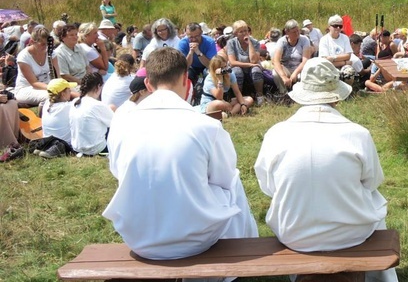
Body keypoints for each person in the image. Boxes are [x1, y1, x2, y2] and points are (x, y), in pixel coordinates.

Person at [102, 47, 259, 260]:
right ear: (187, 82)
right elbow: (224, 178)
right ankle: (239, 255)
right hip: (195, 240)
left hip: (138, 239)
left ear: (148, 83)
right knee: (234, 182)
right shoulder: (206, 126)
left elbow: (118, 172)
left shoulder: (121, 124)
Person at [254, 57, 398, 282]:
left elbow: (268, 186)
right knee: (375, 201)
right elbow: (371, 182)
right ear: (337, 98)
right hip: (351, 234)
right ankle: (380, 279)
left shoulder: (276, 133)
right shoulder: (358, 134)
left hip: (293, 233)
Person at [69, 72, 112, 156]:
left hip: (77, 147)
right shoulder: (98, 105)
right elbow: (115, 123)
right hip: (96, 149)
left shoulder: (74, 102)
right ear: (98, 87)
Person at [225, 20, 265, 104]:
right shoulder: (231, 43)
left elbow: (254, 60)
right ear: (236, 34)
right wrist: (249, 64)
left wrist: (249, 43)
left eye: (246, 31)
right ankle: (239, 97)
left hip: (251, 69)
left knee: (256, 70)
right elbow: (232, 62)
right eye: (241, 32)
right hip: (239, 67)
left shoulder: (255, 42)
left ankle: (260, 96)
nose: (244, 33)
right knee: (237, 70)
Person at [13, 25, 55, 106]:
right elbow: (34, 83)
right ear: (32, 42)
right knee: (52, 96)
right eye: (42, 44)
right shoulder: (23, 57)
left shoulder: (51, 53)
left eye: (47, 44)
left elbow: (57, 76)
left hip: (48, 85)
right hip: (26, 89)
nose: (45, 46)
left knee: (72, 91)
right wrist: (54, 88)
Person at [37, 78, 78, 159]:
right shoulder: (68, 106)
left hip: (47, 141)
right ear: (63, 94)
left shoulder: (47, 103)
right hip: (66, 144)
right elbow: (85, 98)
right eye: (69, 90)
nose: (71, 92)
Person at [272, 20, 312, 94]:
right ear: (287, 32)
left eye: (298, 31)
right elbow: (276, 60)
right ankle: (284, 92)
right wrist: (283, 76)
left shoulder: (304, 40)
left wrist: (295, 73)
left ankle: (301, 92)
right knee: (275, 72)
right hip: (286, 68)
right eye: (294, 32)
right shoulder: (281, 41)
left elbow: (305, 60)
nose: (297, 33)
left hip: (300, 68)